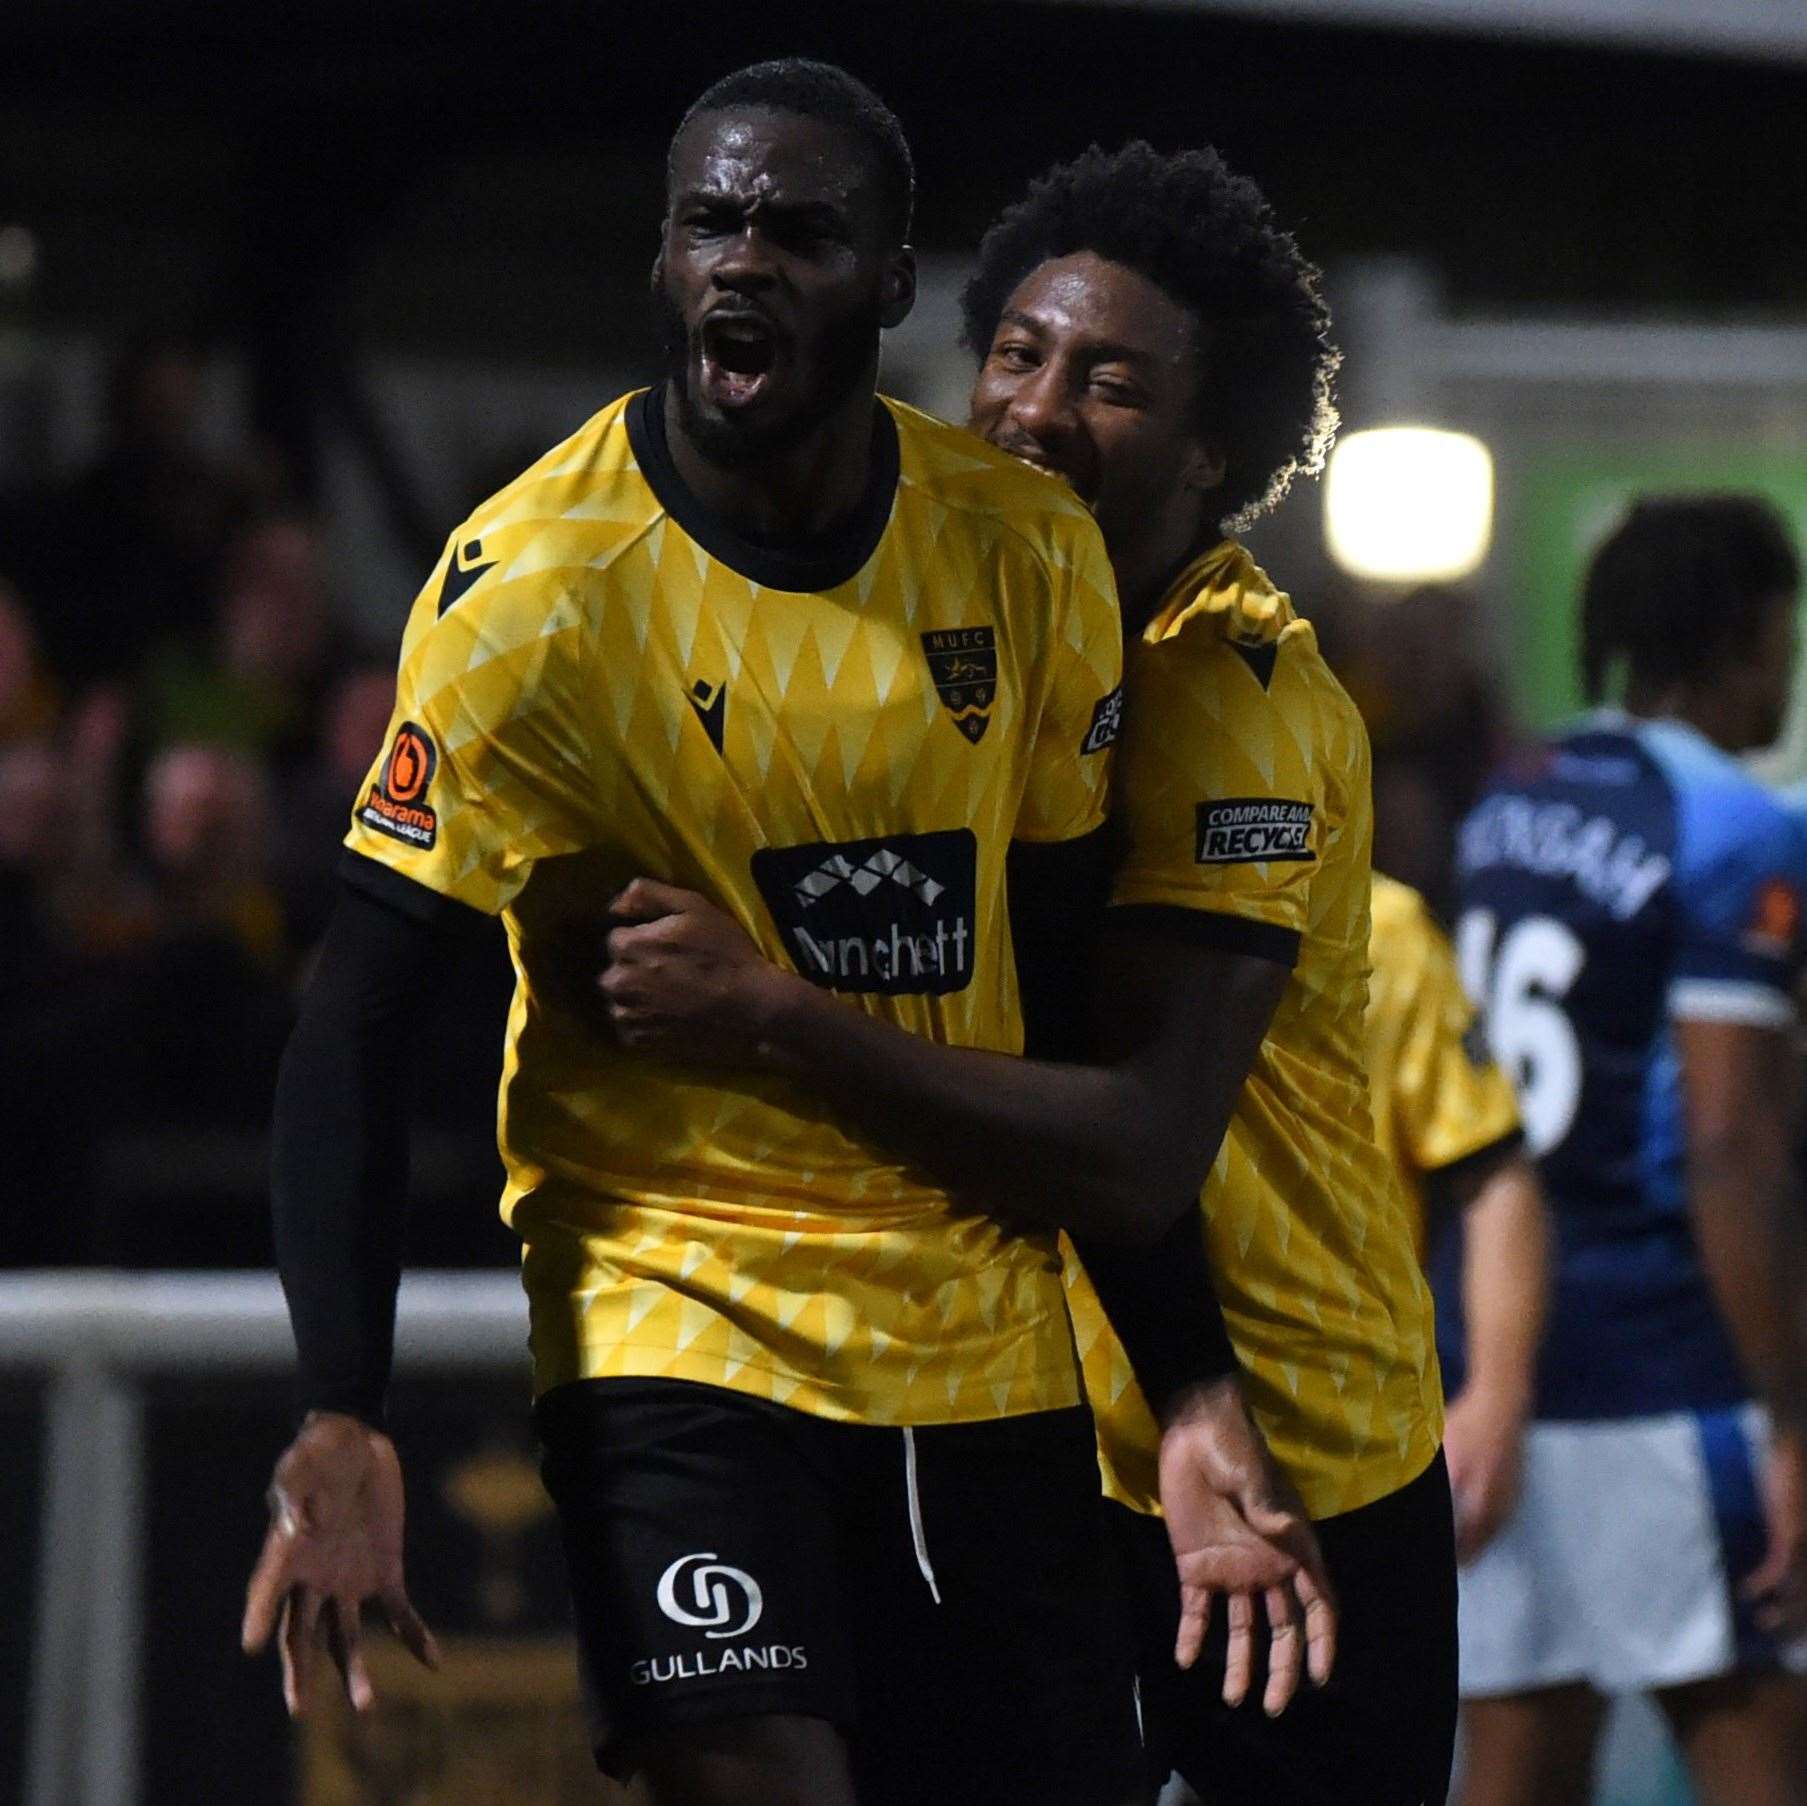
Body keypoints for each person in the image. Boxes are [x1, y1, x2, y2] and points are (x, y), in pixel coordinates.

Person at [240, 61, 1259, 1806]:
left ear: (887, 280)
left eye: (799, 232)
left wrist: (1188, 1386)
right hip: (675, 1321)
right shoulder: (535, 594)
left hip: (976, 1334)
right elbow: (357, 1016)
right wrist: (341, 1408)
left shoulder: (1024, 559)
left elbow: (1065, 1004)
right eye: (711, 223)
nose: (744, 262)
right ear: (659, 259)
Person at [601, 141, 1455, 1805]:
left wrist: (772, 1012)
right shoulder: (947, 646)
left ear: (1219, 454)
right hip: (1025, 1439)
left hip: (1282, 1468)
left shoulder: (1226, 698)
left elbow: (1136, 1142)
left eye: (1112, 380)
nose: (1039, 405)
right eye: (1019, 353)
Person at [1450, 494, 1807, 1806]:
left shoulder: (1515, 789)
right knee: (1756, 1740)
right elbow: (1724, 1137)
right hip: (1670, 1355)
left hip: (1500, 1352)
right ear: (1742, 630)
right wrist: (1783, 1405)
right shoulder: (1730, 829)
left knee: (1518, 1749)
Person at [1364, 871, 1548, 1563]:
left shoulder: (1378, 924)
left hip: (1354, 1419)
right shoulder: (1050, 916)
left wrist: (1497, 1392)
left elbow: (1492, 1170)